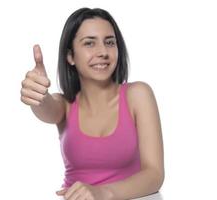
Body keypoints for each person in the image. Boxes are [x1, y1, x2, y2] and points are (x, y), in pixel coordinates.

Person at [21, 7, 164, 200]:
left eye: (110, 42)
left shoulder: (138, 95)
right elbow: (46, 107)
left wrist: (103, 193)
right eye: (89, 43)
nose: (103, 52)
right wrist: (38, 95)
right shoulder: (64, 104)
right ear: (70, 56)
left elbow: (154, 174)